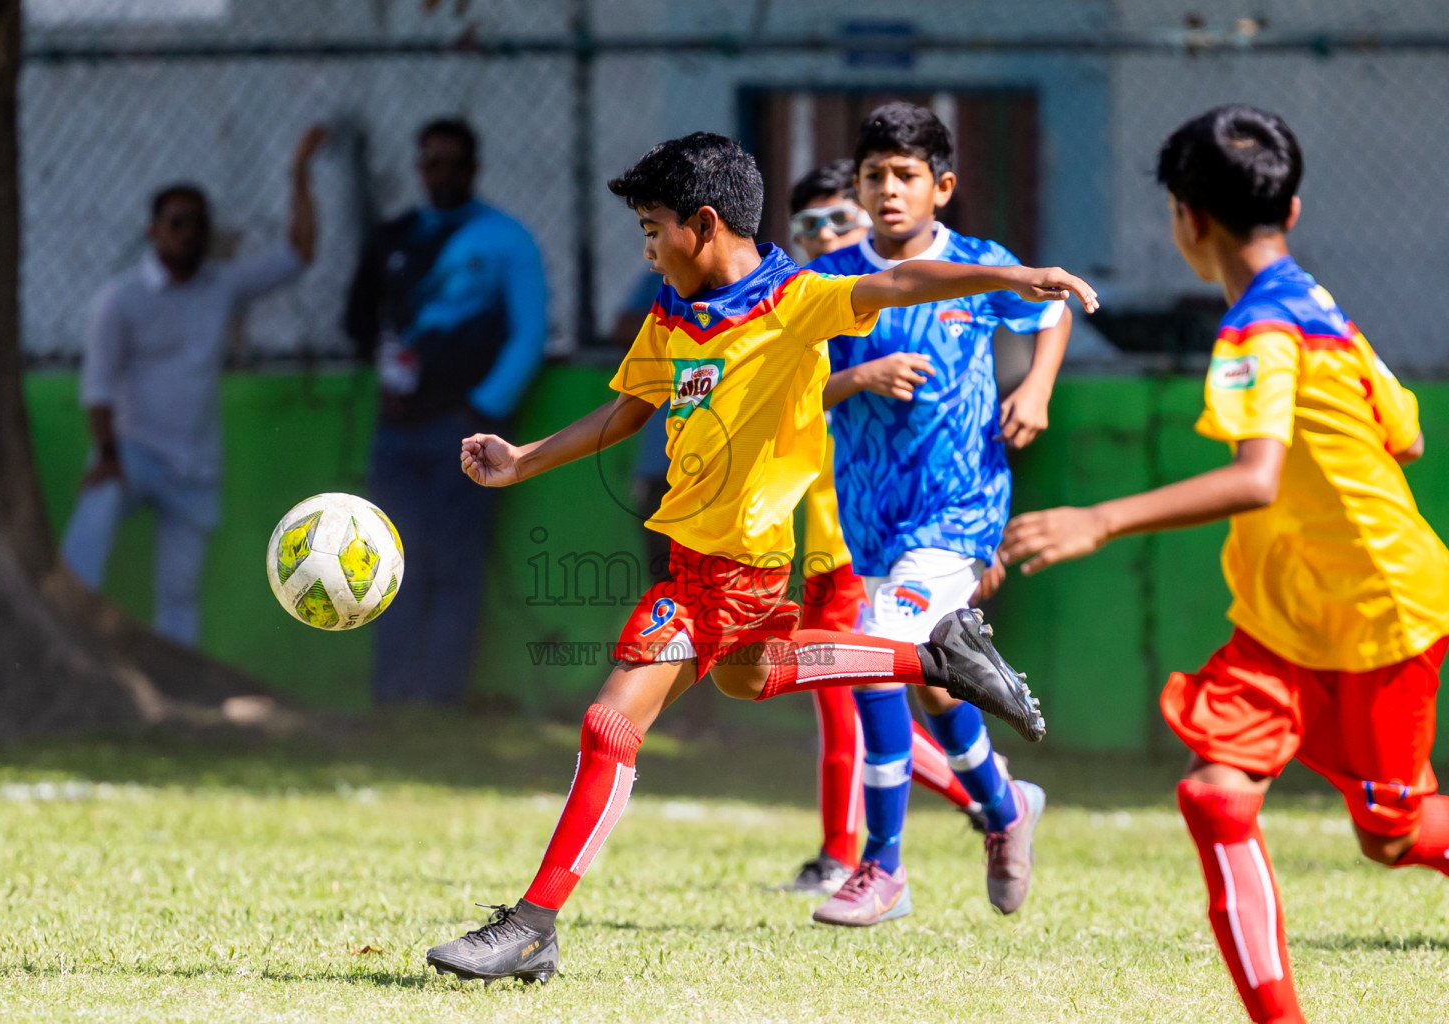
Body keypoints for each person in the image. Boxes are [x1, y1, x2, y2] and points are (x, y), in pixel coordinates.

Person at [425, 131, 1096, 983]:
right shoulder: (671, 312)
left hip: (735, 571)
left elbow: (899, 281)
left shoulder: (794, 300)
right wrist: (524, 459)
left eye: (652, 226)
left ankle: (532, 923)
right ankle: (933, 655)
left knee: (610, 722)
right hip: (697, 564)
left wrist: (1012, 276)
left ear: (703, 225)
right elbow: (627, 414)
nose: (646, 245)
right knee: (753, 676)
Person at [999, 105, 1449, 1024]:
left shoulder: (1258, 332)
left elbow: (1255, 478)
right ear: (1292, 207)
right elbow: (1403, 434)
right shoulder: (1323, 311)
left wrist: (1100, 517)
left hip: (1378, 613)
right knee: (1215, 796)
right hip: (1291, 617)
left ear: (1186, 218)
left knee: (1394, 833)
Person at [801, 103, 1074, 926]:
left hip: (960, 507)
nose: (888, 190)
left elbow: (1050, 309)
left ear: (941, 188)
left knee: (879, 655)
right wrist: (862, 375)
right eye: (874, 175)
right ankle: (1003, 805)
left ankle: (883, 867)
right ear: (857, 183)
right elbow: (794, 391)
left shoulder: (982, 266)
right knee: (934, 687)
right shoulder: (832, 281)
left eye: (906, 176)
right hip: (870, 513)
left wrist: (1037, 387)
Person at [781, 159, 986, 898]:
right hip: (817, 545)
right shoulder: (797, 312)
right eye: (807, 226)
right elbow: (787, 408)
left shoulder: (910, 311)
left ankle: (851, 855)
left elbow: (961, 434)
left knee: (853, 693)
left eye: (840, 219)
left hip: (866, 547)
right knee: (865, 692)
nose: (823, 234)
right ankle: (992, 800)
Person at [61, 126, 325, 645]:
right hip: (131, 453)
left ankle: (176, 686)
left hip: (195, 464)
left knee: (181, 591)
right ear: (153, 230)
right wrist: (108, 457)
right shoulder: (120, 300)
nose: (190, 233)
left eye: (200, 224)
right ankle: (67, 633)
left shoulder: (222, 284)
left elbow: (298, 254)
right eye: (178, 222)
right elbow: (97, 385)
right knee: (91, 527)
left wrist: (297, 175)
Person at [343, 117, 548, 706]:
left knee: (455, 565)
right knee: (385, 565)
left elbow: (529, 333)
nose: (443, 172)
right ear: (419, 167)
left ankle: (440, 698)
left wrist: (480, 410)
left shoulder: (505, 238)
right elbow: (361, 324)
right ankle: (392, 696)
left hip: (464, 432)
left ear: (474, 168)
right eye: (432, 161)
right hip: (396, 431)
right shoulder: (393, 238)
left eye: (455, 161)